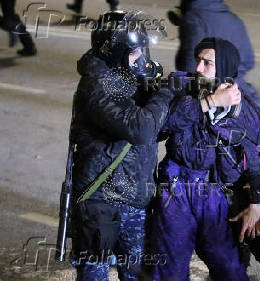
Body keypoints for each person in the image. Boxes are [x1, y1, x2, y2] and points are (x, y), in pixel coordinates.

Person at [148, 37, 260, 281]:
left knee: (229, 267)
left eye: (207, 63)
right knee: (170, 267)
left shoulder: (243, 108)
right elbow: (163, 124)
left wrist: (257, 203)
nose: (198, 68)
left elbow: (258, 155)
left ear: (223, 68)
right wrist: (210, 102)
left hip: (214, 192)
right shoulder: (183, 90)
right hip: (176, 186)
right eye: (198, 61)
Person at [68, 11, 174, 281]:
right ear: (114, 52)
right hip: (101, 201)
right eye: (134, 52)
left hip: (135, 199)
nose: (141, 58)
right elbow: (140, 129)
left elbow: (153, 131)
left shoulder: (128, 79)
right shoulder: (95, 86)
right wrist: (166, 92)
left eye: (142, 50)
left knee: (137, 275)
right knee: (94, 274)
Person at [172, 0, 259, 104]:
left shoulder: (194, 19)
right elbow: (248, 61)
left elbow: (188, 66)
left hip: (211, 96)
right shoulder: (235, 20)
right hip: (241, 93)